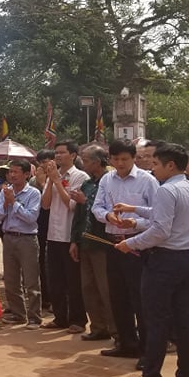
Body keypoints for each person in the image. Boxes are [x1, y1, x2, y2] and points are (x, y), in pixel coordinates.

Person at [114, 143, 189, 377]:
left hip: (164, 262)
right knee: (184, 322)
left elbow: (161, 230)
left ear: (170, 165)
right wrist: (135, 210)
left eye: (155, 164)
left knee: (156, 322)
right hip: (187, 258)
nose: (152, 170)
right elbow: (163, 215)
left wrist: (129, 243)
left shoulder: (166, 190)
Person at [92, 139, 159, 360]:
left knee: (140, 297)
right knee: (118, 295)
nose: (120, 163)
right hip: (112, 242)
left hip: (138, 243)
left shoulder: (147, 180)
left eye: (125, 159)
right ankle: (126, 342)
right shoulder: (106, 179)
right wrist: (107, 216)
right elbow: (97, 206)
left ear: (134, 159)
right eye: (116, 159)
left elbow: (157, 214)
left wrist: (134, 222)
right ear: (110, 159)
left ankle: (147, 350)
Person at [40, 140, 89, 333]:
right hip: (53, 234)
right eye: (56, 153)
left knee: (73, 281)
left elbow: (71, 205)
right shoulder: (54, 176)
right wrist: (51, 180)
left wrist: (57, 181)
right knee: (56, 279)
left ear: (73, 155)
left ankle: (77, 319)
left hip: (70, 235)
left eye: (62, 153)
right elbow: (45, 205)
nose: (58, 156)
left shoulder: (80, 176)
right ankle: (60, 317)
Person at [71, 145, 115, 341]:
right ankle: (98, 327)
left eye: (87, 160)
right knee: (88, 287)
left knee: (106, 288)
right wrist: (74, 240)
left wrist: (85, 201)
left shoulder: (110, 182)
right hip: (85, 242)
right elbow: (78, 216)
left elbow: (108, 211)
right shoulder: (87, 184)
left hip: (103, 243)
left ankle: (116, 330)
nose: (84, 163)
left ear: (98, 162)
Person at [0, 159, 43, 329]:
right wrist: (7, 202)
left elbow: (31, 218)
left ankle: (35, 317)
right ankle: (18, 313)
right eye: (10, 172)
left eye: (16, 172)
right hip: (9, 237)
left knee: (31, 280)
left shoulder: (34, 193)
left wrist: (14, 203)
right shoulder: (5, 192)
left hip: (27, 238)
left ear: (27, 174)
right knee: (11, 279)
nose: (12, 175)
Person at [33, 149, 55, 312]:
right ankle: (45, 298)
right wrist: (39, 183)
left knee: (53, 264)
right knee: (40, 262)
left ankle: (57, 299)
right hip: (39, 226)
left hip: (56, 225)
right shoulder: (33, 181)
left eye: (47, 160)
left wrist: (43, 184)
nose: (44, 165)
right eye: (41, 162)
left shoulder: (60, 178)